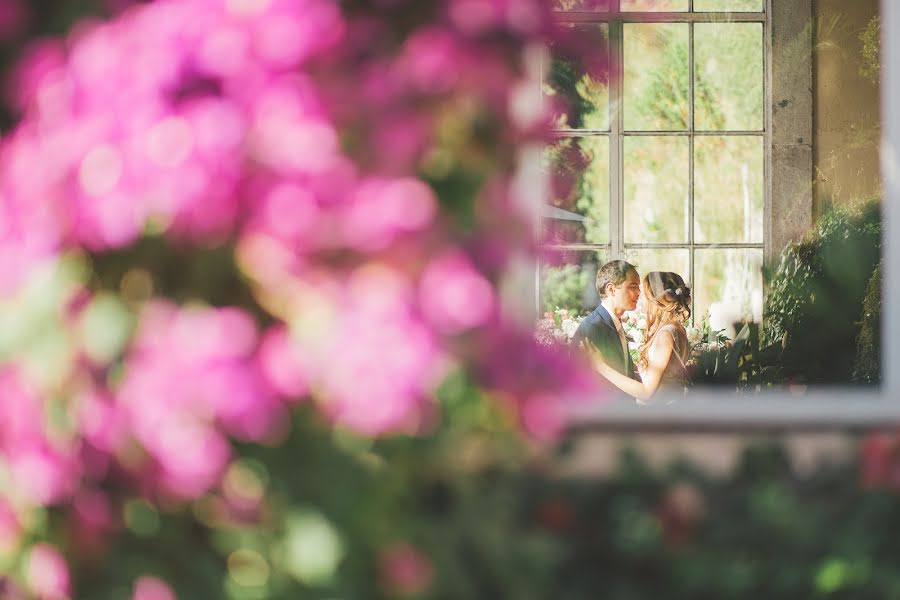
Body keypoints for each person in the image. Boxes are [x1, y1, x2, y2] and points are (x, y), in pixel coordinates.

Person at [584, 271, 692, 402]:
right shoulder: (678, 328)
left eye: (645, 297)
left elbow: (647, 392)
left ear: (658, 300)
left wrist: (600, 366)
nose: (641, 302)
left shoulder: (665, 335)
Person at [571, 260, 642, 382]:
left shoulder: (613, 322)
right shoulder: (593, 328)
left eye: (638, 287)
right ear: (611, 290)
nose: (638, 292)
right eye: (633, 287)